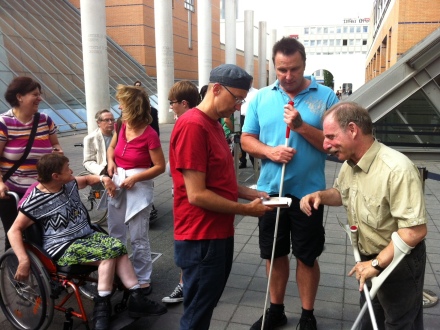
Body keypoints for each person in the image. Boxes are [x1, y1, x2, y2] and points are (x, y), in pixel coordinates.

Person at [300, 102, 427, 330]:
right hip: (367, 260)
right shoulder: (350, 162)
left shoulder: (396, 168)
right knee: (370, 317)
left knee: (399, 323)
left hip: (399, 262)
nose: (325, 144)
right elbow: (342, 193)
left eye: (330, 136)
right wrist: (319, 195)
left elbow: (414, 231)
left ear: (352, 130)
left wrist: (376, 265)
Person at [241, 37, 339, 330]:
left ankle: (308, 315)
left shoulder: (325, 97)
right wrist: (269, 151)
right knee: (274, 252)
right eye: (281, 69)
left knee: (307, 256)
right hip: (271, 191)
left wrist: (301, 127)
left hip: (310, 194)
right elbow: (247, 139)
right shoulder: (261, 98)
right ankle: (276, 309)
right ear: (274, 66)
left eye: (294, 69)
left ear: (304, 64)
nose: (287, 76)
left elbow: (331, 145)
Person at [8, 154, 167, 330]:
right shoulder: (35, 201)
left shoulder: (68, 183)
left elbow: (88, 179)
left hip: (86, 236)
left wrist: (103, 178)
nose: (72, 170)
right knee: (108, 255)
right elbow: (14, 230)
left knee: (118, 247)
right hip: (62, 246)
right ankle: (102, 307)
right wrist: (23, 260)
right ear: (55, 176)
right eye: (67, 168)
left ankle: (137, 297)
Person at [169, 63, 274, 330]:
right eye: (236, 98)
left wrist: (253, 193)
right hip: (200, 236)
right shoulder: (193, 126)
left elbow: (219, 182)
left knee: (205, 305)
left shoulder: (214, 124)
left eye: (242, 99)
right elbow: (197, 195)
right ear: (216, 89)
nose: (239, 106)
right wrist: (247, 210)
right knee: (197, 312)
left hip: (217, 232)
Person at [107, 84, 165, 295]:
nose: (119, 106)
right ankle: (116, 271)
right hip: (118, 180)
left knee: (138, 236)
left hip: (139, 185)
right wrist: (110, 162)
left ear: (131, 106)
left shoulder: (149, 134)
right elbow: (112, 148)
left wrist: (136, 177)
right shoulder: (121, 125)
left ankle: (143, 278)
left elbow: (160, 166)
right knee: (115, 232)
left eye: (122, 103)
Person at [0, 76, 63, 251]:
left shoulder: (45, 120)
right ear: (20, 97)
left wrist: (57, 151)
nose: (39, 98)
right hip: (13, 193)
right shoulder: (4, 123)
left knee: (44, 235)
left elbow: (55, 143)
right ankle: (13, 272)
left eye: (39, 94)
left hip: (40, 191)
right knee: (15, 236)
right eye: (35, 94)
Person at [162, 80, 200, 304]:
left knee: (188, 244)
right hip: (186, 193)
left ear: (183, 103)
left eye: (172, 103)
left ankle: (186, 286)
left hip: (188, 196)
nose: (171, 106)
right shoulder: (190, 121)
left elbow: (178, 166)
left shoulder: (188, 124)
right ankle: (188, 284)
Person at [83, 109, 115, 175]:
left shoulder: (117, 135)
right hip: (102, 173)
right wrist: (101, 171)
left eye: (112, 120)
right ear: (98, 123)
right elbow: (88, 161)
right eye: (107, 120)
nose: (110, 122)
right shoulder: (90, 139)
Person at [239, 78, 258, 168]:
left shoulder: (256, 93)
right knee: (239, 140)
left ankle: (254, 162)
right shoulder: (240, 91)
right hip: (241, 117)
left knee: (251, 138)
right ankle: (242, 161)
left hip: (251, 117)